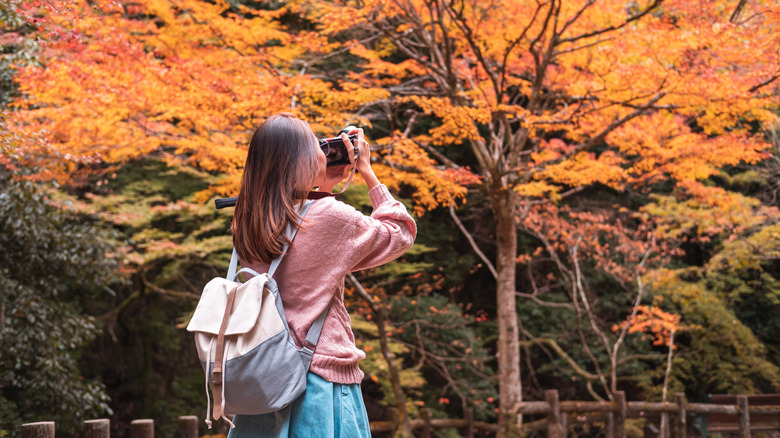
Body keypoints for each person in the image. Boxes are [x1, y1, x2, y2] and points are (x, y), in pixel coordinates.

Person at [228, 113, 417, 438]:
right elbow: (400, 233)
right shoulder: (329, 218)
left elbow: (303, 235)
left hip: (263, 382)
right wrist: (368, 172)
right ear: (301, 159)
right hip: (319, 380)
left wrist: (323, 184)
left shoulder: (248, 218)